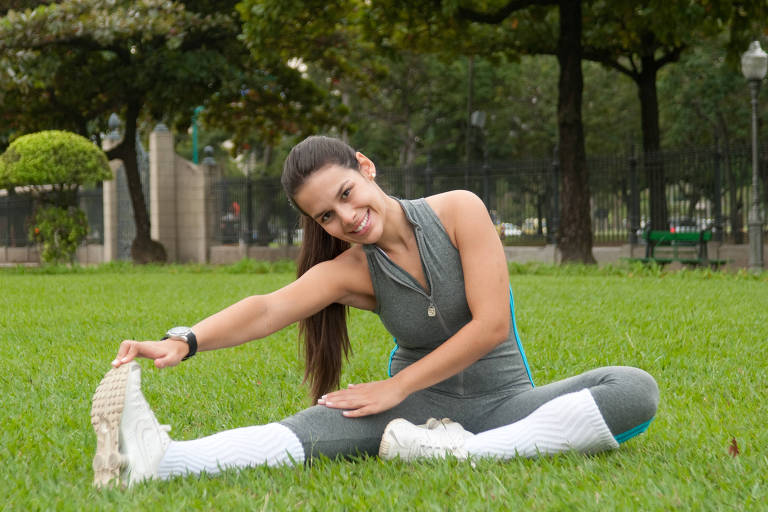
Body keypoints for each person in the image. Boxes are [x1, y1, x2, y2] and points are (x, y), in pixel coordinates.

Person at [91, 135, 659, 488]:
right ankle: (163, 460)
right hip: (413, 416)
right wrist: (185, 340)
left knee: (633, 389)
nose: (345, 218)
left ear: (365, 167)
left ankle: (460, 453)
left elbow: (491, 327)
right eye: (326, 218)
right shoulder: (352, 270)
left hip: (509, 403)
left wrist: (393, 389)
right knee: (302, 433)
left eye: (344, 193)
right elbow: (268, 309)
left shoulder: (459, 210)